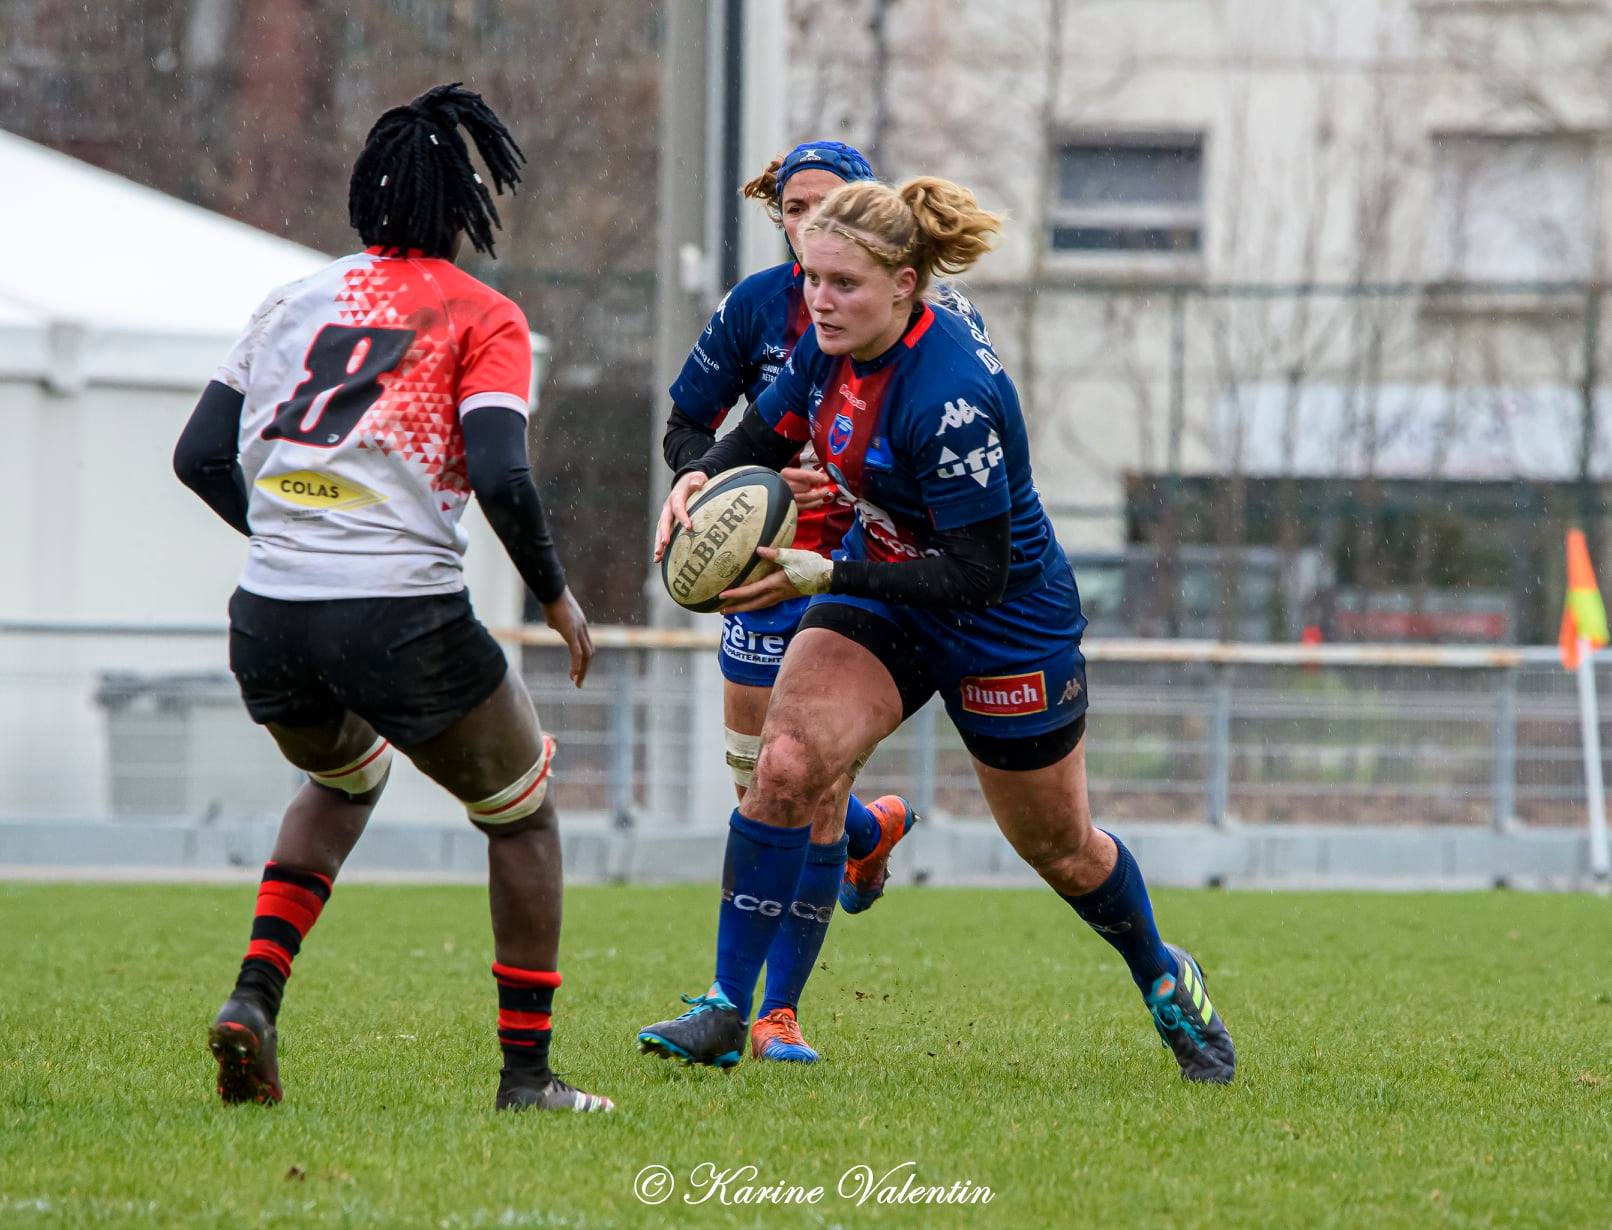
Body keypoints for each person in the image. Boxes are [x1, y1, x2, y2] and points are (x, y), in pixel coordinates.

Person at [641, 176, 1236, 1083]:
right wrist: (701, 483)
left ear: (906, 284)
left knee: (1060, 849)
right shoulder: (825, 342)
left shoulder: (948, 398)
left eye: (844, 284)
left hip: (1001, 618)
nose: (821, 301)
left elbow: (976, 572)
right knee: (791, 760)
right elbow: (760, 435)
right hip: (887, 583)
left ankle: (1162, 973)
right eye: (811, 278)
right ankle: (727, 1006)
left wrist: (828, 570)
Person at [173, 83, 612, 1113]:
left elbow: (198, 455)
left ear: (364, 201)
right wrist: (557, 597)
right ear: (464, 210)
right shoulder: (482, 315)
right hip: (400, 611)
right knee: (522, 814)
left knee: (344, 779)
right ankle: (527, 1077)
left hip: (269, 614)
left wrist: (293, 537)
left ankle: (254, 998)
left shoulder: (289, 302)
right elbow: (502, 473)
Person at [657, 140, 920, 1065]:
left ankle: (773, 1013)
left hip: (850, 580)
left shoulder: (894, 314)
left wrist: (848, 494)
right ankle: (869, 833)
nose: (809, 221)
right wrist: (716, 483)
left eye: (829, 204)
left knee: (809, 780)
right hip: (758, 568)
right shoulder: (756, 308)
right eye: (794, 206)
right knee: (764, 784)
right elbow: (687, 426)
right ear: (777, 213)